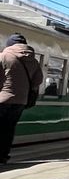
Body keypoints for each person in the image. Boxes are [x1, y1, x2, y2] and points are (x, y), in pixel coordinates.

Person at [0, 34, 44, 166]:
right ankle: (2, 157)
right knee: (8, 129)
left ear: (9, 44)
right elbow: (38, 81)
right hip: (20, 101)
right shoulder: (34, 61)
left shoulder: (4, 56)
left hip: (2, 99)